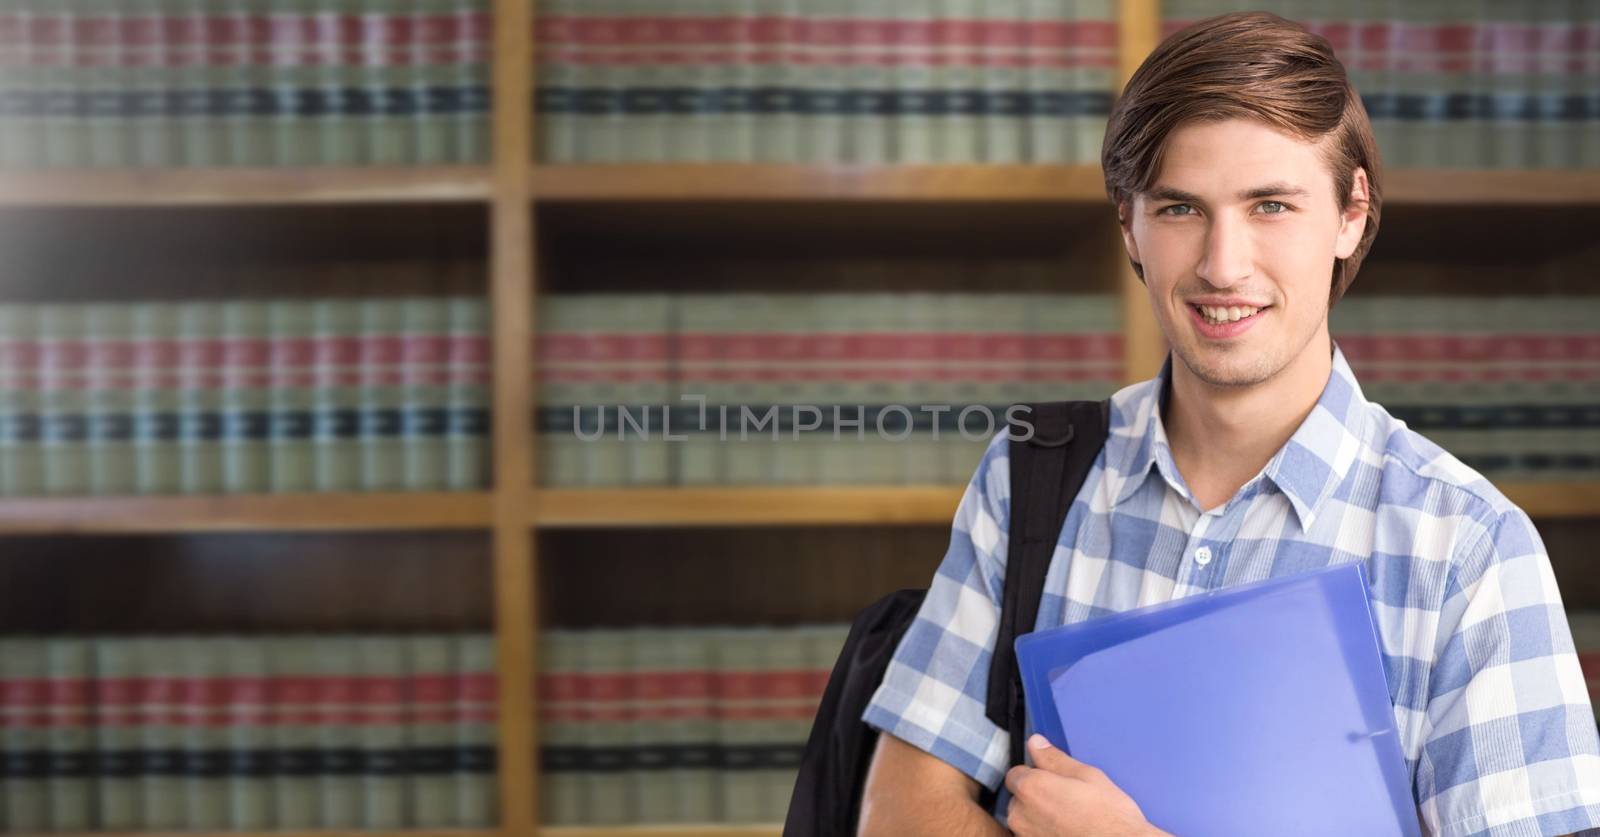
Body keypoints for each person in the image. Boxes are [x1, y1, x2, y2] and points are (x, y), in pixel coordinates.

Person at [855, 11, 1600, 837]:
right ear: (1128, 225)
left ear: (1352, 213)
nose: (1223, 265)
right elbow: (898, 812)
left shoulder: (1469, 549)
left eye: (1271, 205)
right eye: (1180, 209)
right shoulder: (1028, 477)